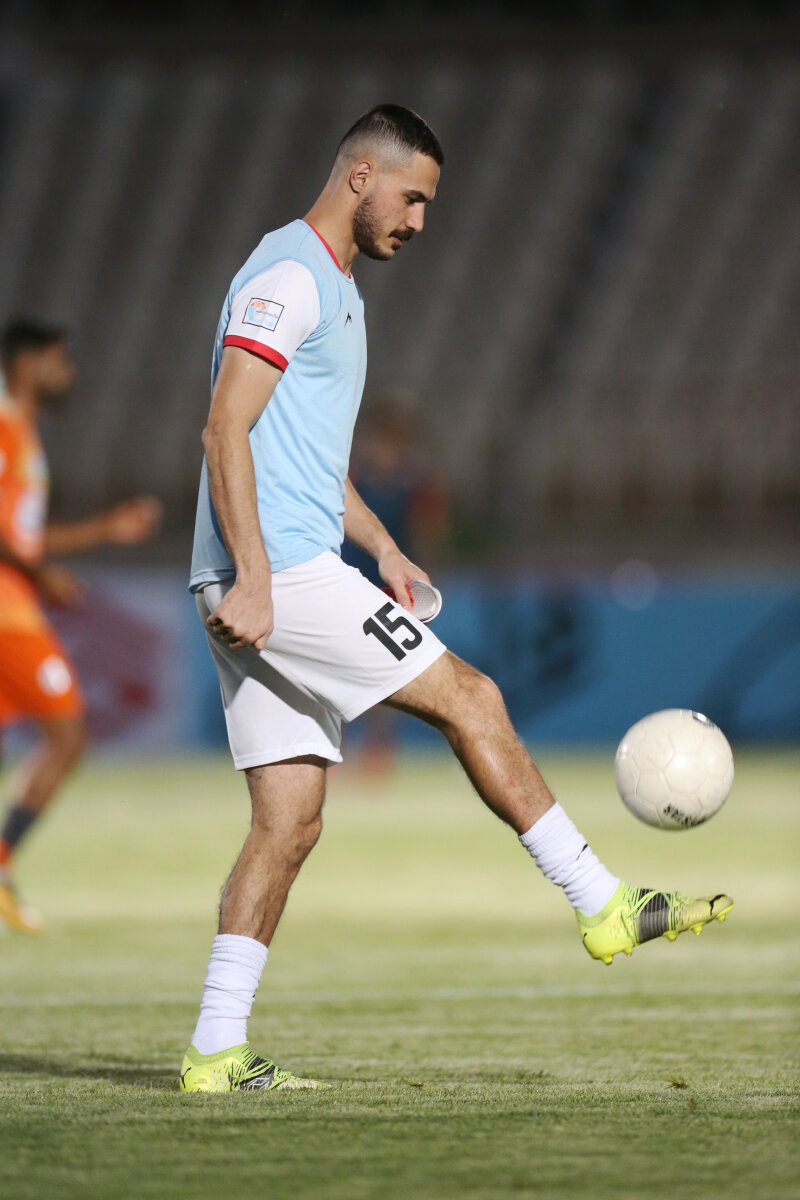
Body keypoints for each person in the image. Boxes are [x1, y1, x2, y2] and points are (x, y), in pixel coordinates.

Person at [182, 105, 732, 1094]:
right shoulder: (288, 278)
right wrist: (257, 577)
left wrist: (384, 547)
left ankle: (214, 1053)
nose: (419, 222)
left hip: (277, 569)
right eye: (412, 199)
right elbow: (225, 426)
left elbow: (302, 461)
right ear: (359, 175)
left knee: (288, 824)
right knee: (472, 698)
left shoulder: (335, 288)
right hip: (279, 575)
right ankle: (601, 902)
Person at [0, 319, 162, 933]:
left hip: (16, 604)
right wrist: (41, 575)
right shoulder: (4, 425)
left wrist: (104, 530)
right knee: (67, 734)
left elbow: (22, 536)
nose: (68, 374)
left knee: (61, 738)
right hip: (8, 613)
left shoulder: (21, 430)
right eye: (60, 361)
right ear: (29, 363)